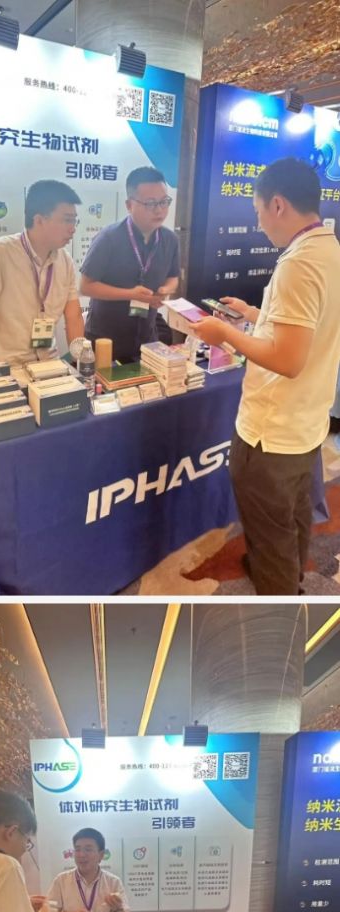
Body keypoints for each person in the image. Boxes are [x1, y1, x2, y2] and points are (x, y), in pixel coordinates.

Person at [188, 157, 340, 596]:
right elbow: (306, 329)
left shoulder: (298, 264)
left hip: (270, 433)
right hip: (305, 423)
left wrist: (225, 334)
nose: (258, 223)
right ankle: (288, 576)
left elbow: (287, 360)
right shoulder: (328, 250)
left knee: (269, 529)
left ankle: (280, 599)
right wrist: (255, 315)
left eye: (258, 211)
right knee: (293, 514)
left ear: (277, 205)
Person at [0, 180, 84, 365]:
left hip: (50, 366)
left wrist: (82, 362)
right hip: (8, 368)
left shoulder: (64, 260)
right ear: (39, 220)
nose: (73, 228)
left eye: (74, 220)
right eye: (67, 220)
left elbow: (73, 315)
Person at [80, 167, 180, 362]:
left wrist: (165, 290)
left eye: (163, 202)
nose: (159, 210)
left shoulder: (170, 240)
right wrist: (130, 294)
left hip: (147, 339)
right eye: (150, 203)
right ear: (129, 205)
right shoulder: (108, 238)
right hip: (106, 340)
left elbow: (173, 277)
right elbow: (86, 286)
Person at [47, 828, 130, 912]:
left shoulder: (113, 882)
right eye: (77, 849)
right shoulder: (61, 881)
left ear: (101, 855)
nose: (81, 855)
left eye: (88, 849)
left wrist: (117, 908)